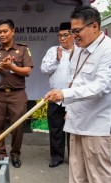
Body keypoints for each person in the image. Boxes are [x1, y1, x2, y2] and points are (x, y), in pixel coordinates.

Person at [45, 5, 111, 183]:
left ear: (94, 26)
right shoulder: (80, 48)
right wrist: (68, 105)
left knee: (100, 166)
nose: (73, 36)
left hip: (100, 121)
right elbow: (76, 79)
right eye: (72, 31)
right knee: (77, 162)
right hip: (78, 116)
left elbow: (102, 86)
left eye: (77, 30)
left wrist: (65, 94)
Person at [0, 18, 33, 168]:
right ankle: (1, 154)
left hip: (17, 94)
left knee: (18, 126)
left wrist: (11, 66)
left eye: (5, 31)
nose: (2, 34)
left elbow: (27, 71)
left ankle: (15, 154)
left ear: (13, 31)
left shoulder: (23, 49)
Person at [41, 22, 75, 168]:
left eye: (65, 35)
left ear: (73, 35)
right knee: (55, 129)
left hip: (73, 97)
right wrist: (57, 60)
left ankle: (75, 158)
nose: (62, 38)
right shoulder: (53, 51)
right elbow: (44, 69)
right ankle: (57, 157)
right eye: (60, 35)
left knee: (73, 129)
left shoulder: (80, 51)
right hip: (55, 97)